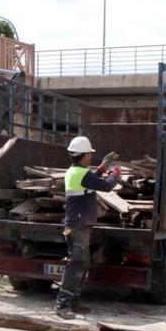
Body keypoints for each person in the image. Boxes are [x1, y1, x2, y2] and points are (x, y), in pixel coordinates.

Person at [55, 136, 121, 320]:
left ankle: (73, 300)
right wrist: (114, 173)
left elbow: (91, 181)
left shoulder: (76, 172)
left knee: (81, 263)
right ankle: (63, 304)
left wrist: (101, 169)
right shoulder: (80, 173)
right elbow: (107, 186)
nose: (91, 157)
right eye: (89, 154)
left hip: (77, 224)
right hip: (78, 225)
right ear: (83, 156)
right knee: (76, 263)